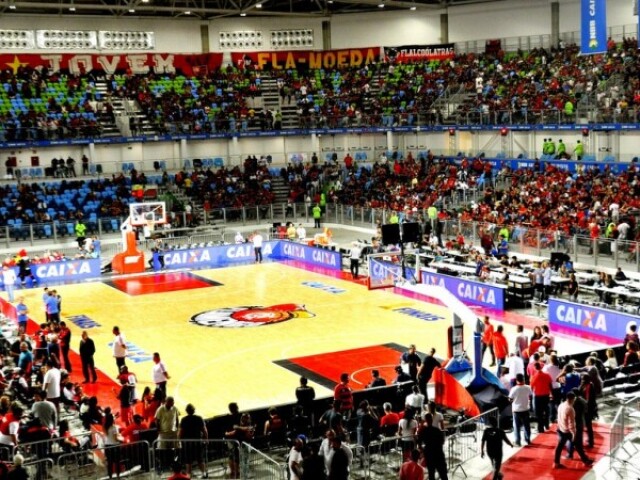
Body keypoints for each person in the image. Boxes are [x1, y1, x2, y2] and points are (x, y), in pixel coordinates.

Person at [554, 392, 593, 469]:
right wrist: (574, 434)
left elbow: (558, 417)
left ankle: (556, 463)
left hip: (561, 429)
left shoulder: (561, 405)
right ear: (572, 399)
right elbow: (571, 423)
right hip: (567, 431)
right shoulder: (570, 409)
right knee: (578, 446)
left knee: (559, 447)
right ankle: (586, 461)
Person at [179, 403, 209, 479]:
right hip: (198, 442)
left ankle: (188, 476)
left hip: (187, 443)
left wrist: (178, 440)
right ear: (194, 410)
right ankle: (204, 473)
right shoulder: (199, 418)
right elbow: (204, 430)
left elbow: (180, 432)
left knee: (188, 461)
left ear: (186, 411)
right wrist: (206, 439)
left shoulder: (184, 420)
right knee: (200, 459)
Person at [417, 413, 448, 480]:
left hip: (429, 453)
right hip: (438, 452)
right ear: (432, 420)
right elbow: (442, 441)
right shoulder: (437, 430)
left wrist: (423, 450)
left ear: (426, 420)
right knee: (443, 474)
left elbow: (419, 443)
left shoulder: (423, 431)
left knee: (431, 473)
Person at [481, 416, 513, 480]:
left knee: (493, 464)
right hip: (498, 452)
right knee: (497, 466)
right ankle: (495, 477)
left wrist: (482, 451)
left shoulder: (486, 431)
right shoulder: (500, 431)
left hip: (489, 451)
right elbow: (506, 440)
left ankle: (498, 475)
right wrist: (511, 444)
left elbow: (483, 441)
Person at [508, 373, 532, 446]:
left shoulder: (514, 389)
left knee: (516, 426)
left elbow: (510, 399)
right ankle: (527, 439)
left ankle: (518, 441)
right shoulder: (528, 387)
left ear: (516, 380)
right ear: (523, 379)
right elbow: (530, 396)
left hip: (516, 410)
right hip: (525, 409)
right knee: (526, 425)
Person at [530, 362, 553, 433]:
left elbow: (531, 387)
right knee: (546, 410)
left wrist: (531, 397)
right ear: (541, 367)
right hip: (546, 395)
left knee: (539, 413)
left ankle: (541, 428)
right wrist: (551, 394)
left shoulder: (534, 376)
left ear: (535, 368)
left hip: (538, 397)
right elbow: (550, 385)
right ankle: (547, 424)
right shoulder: (547, 375)